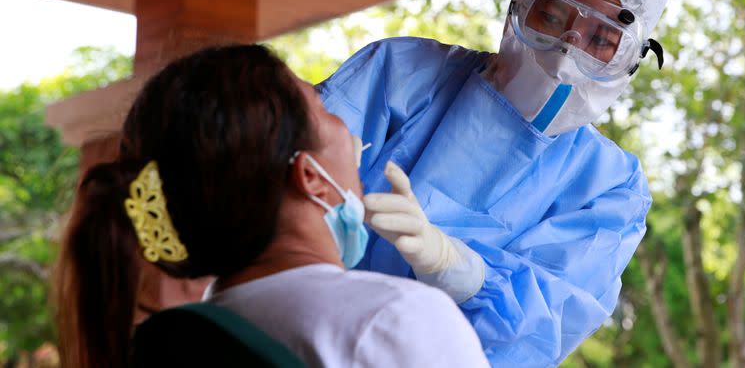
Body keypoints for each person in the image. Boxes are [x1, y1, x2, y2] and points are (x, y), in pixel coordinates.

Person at [319, 0, 670, 366]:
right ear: (520, 2)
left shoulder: (610, 189)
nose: (567, 54)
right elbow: (281, 174)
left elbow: (539, 328)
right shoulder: (398, 73)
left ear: (632, 56)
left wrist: (458, 268)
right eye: (553, 17)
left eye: (601, 40)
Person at [54, 45, 489, 368]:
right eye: (323, 108)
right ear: (310, 176)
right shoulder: (393, 319)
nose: (349, 128)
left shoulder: (178, 340)